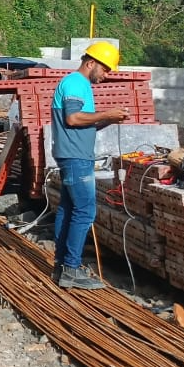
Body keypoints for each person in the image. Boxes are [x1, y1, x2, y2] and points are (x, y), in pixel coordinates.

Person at [51, 41, 129, 290]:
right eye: (105, 70)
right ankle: (71, 270)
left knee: (68, 208)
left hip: (72, 154)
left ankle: (61, 266)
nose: (106, 76)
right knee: (85, 212)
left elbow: (84, 123)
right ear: (91, 63)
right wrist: (107, 114)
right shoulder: (75, 83)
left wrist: (109, 120)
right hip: (76, 157)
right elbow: (73, 118)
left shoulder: (79, 84)